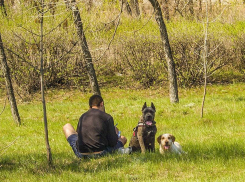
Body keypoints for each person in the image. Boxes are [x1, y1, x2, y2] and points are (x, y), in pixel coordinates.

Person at [63, 94, 131, 158]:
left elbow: (79, 135)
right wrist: (115, 134)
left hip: (81, 153)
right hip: (101, 153)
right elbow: (112, 143)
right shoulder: (107, 117)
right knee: (123, 138)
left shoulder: (82, 116)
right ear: (102, 104)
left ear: (89, 106)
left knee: (67, 126)